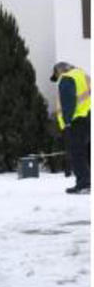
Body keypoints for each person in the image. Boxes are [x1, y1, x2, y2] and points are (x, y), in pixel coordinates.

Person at [51, 61, 90, 194]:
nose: (57, 80)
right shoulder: (82, 75)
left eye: (56, 76)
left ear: (59, 71)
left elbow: (68, 101)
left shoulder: (67, 78)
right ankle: (86, 181)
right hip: (86, 117)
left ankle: (84, 183)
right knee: (84, 152)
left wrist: (67, 121)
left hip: (74, 121)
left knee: (77, 153)